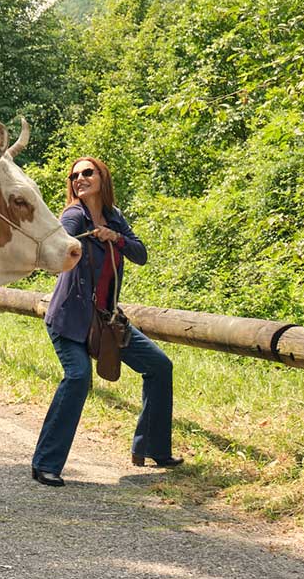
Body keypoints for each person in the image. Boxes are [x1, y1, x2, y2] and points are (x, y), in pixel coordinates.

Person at [30, 156, 182, 487]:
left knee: (159, 366)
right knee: (78, 376)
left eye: (88, 172)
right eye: (74, 176)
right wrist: (67, 244)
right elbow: (59, 241)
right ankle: (45, 464)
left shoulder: (115, 217)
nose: (79, 178)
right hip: (69, 320)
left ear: (102, 177)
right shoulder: (74, 215)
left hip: (107, 321)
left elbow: (140, 254)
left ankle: (152, 448)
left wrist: (115, 237)